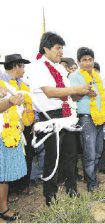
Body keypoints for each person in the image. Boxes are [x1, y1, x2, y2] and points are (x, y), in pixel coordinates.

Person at [27, 32, 92, 206]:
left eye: (62, 48)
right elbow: (49, 91)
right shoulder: (37, 67)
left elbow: (69, 95)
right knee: (52, 157)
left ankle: (72, 188)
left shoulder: (61, 69)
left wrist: (82, 92)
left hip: (67, 114)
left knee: (70, 155)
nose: (61, 52)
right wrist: (75, 89)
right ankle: (50, 195)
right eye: (57, 48)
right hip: (51, 116)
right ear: (46, 49)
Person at [69, 47, 105, 192]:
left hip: (99, 118)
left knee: (98, 152)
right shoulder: (75, 76)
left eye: (90, 59)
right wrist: (85, 92)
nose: (88, 63)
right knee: (89, 153)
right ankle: (91, 183)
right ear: (78, 62)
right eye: (84, 60)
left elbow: (102, 98)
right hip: (86, 119)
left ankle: (90, 175)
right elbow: (72, 97)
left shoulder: (97, 77)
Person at [0, 54, 36, 201]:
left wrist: (31, 121)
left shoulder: (23, 83)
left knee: (26, 156)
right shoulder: (3, 84)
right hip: (6, 129)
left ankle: (23, 185)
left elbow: (28, 105)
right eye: (22, 66)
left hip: (23, 126)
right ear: (16, 66)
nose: (24, 70)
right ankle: (11, 192)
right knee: (7, 162)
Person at [94, 62, 105, 174]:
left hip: (103, 115)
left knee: (103, 140)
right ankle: (92, 168)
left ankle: (103, 166)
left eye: (96, 70)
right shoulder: (85, 81)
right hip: (89, 116)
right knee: (91, 142)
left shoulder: (104, 81)